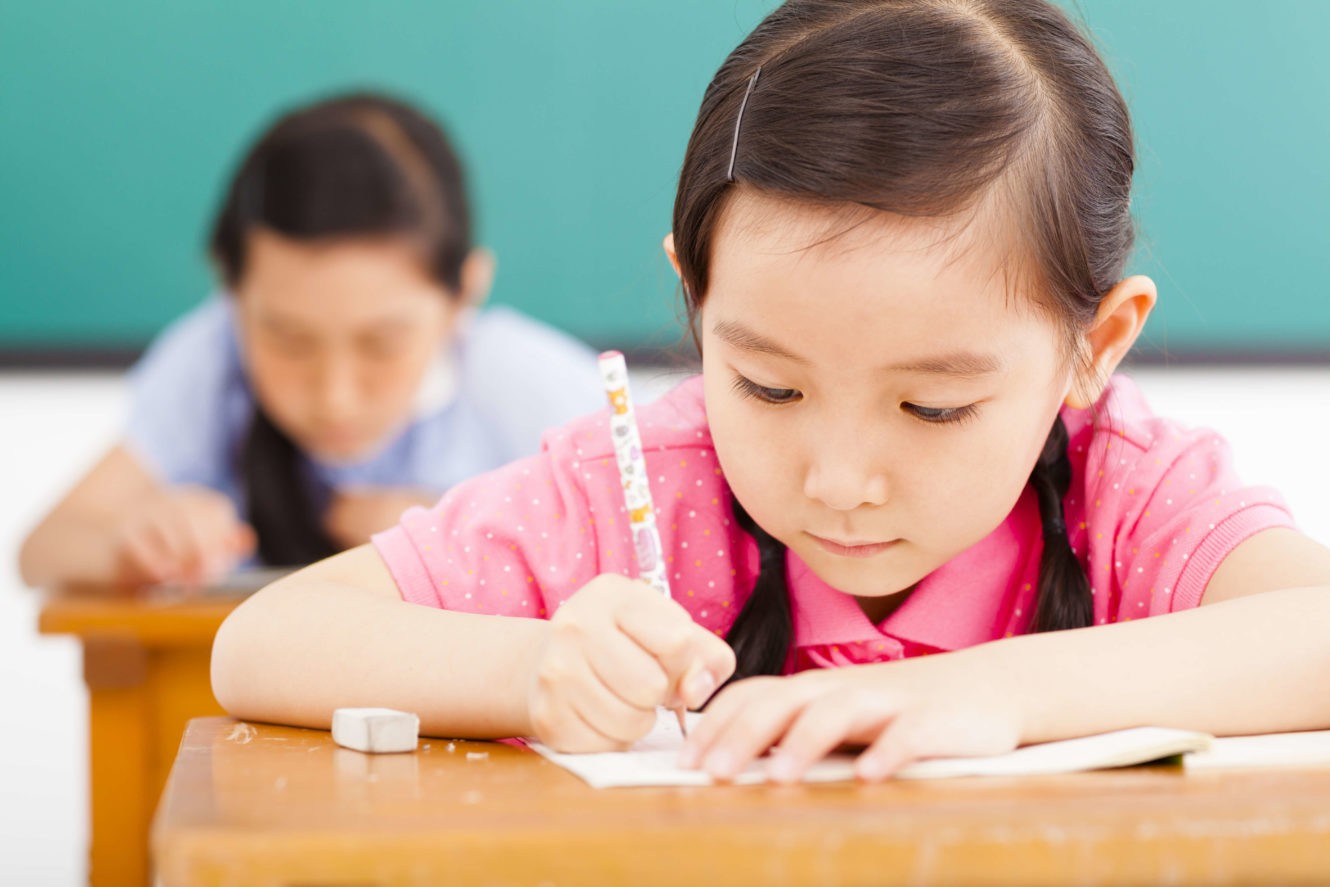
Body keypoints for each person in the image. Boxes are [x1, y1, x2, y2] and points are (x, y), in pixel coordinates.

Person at [210, 1, 1330, 783]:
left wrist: (1000, 692)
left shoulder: (1125, 488)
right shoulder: (640, 485)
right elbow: (265, 641)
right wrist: (527, 669)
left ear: (1098, 341)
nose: (836, 481)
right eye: (767, 385)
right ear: (695, 297)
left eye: (933, 407)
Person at [19, 92, 603, 588]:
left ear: (462, 296)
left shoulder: (521, 381)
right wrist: (133, 543)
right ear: (230, 287)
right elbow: (43, 549)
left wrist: (461, 540)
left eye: (382, 343)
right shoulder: (209, 360)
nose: (335, 396)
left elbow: (661, 550)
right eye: (289, 341)